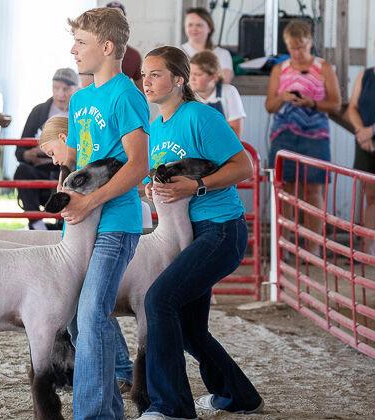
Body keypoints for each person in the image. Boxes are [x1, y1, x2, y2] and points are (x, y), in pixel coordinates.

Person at [138, 45, 262, 420]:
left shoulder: (200, 117)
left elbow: (245, 166)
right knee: (190, 329)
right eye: (144, 74)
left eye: (156, 74)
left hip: (221, 229)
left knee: (158, 301)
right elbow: (165, 177)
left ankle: (170, 407)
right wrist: (152, 188)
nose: (147, 81)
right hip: (188, 233)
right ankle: (239, 396)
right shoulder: (156, 126)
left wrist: (198, 186)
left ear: (179, 80)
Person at [62, 7, 150, 419]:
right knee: (80, 318)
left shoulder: (126, 94)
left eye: (81, 42)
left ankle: (94, 414)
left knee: (91, 313)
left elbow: (137, 163)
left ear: (108, 47)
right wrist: (65, 159)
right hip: (85, 220)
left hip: (115, 220)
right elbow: (86, 161)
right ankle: (110, 404)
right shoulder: (81, 99)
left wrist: (90, 202)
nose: (74, 50)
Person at [265, 20, 341, 255]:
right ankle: (283, 247)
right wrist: (283, 97)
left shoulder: (324, 68)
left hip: (315, 135)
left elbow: (336, 104)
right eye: (292, 47)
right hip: (284, 133)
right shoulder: (280, 69)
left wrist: (312, 103)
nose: (297, 52)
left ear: (310, 42)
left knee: (313, 190)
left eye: (301, 46)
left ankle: (313, 247)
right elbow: (270, 105)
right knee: (284, 189)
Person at [13, 68, 78, 230]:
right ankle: (36, 223)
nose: (60, 94)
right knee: (22, 171)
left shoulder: (81, 111)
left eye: (66, 89)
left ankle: (66, 223)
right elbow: (19, 151)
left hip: (70, 166)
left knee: (72, 175)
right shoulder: (39, 111)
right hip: (43, 167)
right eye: (56, 88)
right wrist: (29, 154)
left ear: (75, 89)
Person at [345, 61, 375, 256]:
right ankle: (369, 247)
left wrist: (370, 131)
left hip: (368, 135)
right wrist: (360, 132)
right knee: (371, 197)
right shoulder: (365, 75)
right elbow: (352, 108)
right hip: (365, 143)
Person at [189, 50, 246, 139]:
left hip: (225, 148)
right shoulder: (186, 97)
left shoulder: (228, 92)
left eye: (198, 74)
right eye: (190, 73)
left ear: (214, 77)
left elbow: (235, 134)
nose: (192, 79)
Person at [180, 7, 234, 83]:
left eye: (199, 25)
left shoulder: (222, 54)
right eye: (190, 25)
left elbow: (225, 80)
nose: (194, 28)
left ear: (209, 28)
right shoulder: (177, 52)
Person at [105, 1, 143, 89]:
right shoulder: (93, 50)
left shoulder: (134, 56)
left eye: (119, 18)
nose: (114, 22)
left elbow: (142, 91)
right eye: (110, 18)